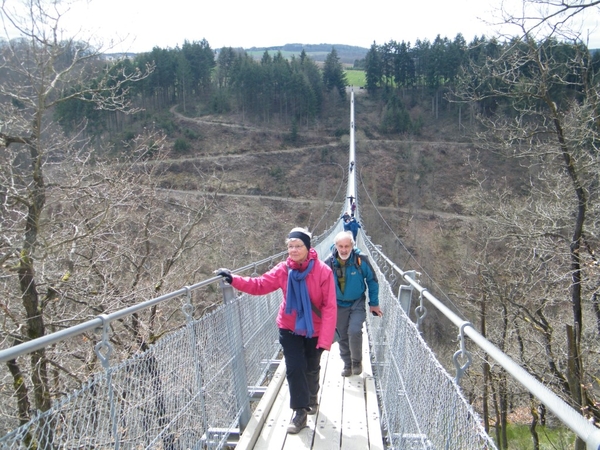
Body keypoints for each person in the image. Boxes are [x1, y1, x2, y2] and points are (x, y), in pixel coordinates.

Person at [216, 227, 337, 434]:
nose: (293, 250)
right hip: (288, 327)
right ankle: (299, 413)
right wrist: (234, 279)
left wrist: (324, 341)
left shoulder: (323, 271)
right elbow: (260, 284)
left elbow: (329, 307)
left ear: (308, 247)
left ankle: (311, 397)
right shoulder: (283, 269)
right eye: (290, 246)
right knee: (294, 367)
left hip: (313, 329)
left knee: (311, 366)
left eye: (298, 246)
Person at [324, 231, 381, 377]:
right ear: (335, 245)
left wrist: (373, 303)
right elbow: (320, 285)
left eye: (347, 246)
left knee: (354, 331)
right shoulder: (328, 263)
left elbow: (372, 281)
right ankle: (347, 364)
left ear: (352, 246)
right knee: (342, 334)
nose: (343, 250)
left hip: (357, 302)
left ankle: (356, 361)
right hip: (337, 304)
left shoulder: (360, 260)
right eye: (340, 246)